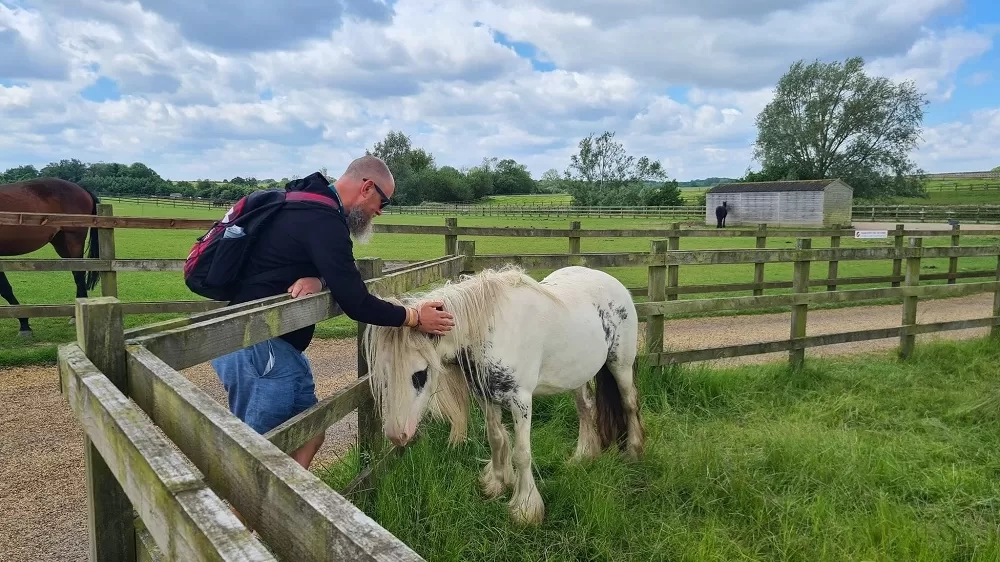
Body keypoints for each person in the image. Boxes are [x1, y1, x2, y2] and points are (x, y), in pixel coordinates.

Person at [210, 155, 455, 474]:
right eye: (383, 201)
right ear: (367, 188)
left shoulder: (312, 206)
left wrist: (320, 279)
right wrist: (414, 317)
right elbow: (356, 301)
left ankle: (284, 506)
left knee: (311, 433)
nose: (380, 211)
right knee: (256, 457)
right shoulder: (323, 219)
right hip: (259, 348)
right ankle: (243, 521)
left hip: (278, 348)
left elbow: (342, 273)